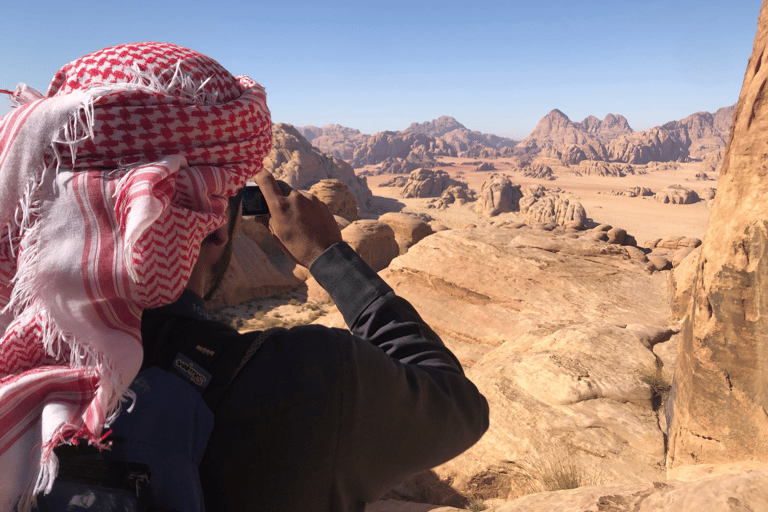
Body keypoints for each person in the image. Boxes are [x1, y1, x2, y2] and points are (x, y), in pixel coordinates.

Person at [0, 42, 489, 512]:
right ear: (214, 228)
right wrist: (328, 254)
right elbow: (457, 405)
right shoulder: (308, 381)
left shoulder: (17, 370)